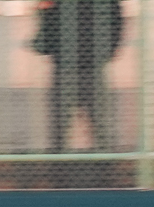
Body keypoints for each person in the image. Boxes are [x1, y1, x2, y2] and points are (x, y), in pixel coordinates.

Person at [31, 0, 123, 152]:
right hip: (83, 66)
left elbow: (116, 22)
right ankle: (102, 165)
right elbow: (116, 22)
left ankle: (65, 166)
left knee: (67, 124)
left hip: (72, 67)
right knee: (97, 124)